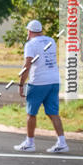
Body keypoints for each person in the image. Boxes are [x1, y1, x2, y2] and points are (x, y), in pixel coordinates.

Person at [14, 19, 68, 153]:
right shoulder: (51, 41)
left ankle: (30, 143)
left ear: (29, 31)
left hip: (38, 82)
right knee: (53, 113)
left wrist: (21, 83)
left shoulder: (30, 44)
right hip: (54, 80)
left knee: (31, 113)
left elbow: (27, 64)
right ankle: (62, 142)